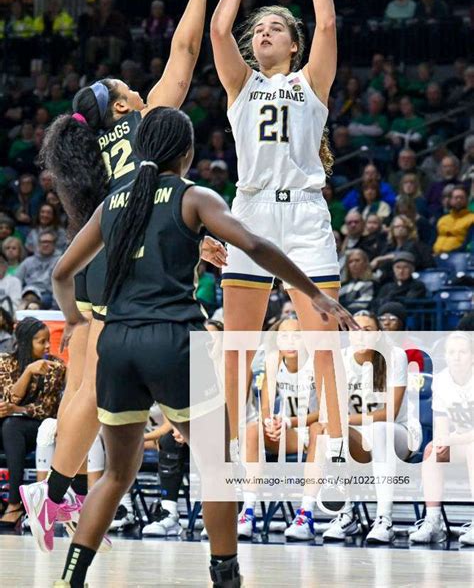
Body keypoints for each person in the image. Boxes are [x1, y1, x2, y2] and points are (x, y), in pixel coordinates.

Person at [46, 107, 355, 588]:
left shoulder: (114, 203)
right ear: (186, 154)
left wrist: (72, 321)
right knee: (218, 466)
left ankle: (71, 576)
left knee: (115, 475)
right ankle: (224, 574)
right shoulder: (193, 197)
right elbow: (254, 244)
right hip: (173, 340)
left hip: (118, 346)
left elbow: (62, 274)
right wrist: (313, 292)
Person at [20, 0, 229, 554]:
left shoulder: (95, 155)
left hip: (95, 256)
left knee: (84, 387)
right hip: (124, 266)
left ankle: (54, 490)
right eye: (125, 87)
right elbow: (185, 52)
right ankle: (56, 490)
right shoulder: (148, 122)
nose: (137, 87)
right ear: (120, 105)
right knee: (95, 388)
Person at [210, 0, 349, 463]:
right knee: (238, 352)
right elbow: (220, 28)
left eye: (275, 29)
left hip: (306, 218)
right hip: (251, 216)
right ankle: (224, 464)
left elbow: (330, 24)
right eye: (259, 29)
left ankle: (337, 459)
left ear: (293, 44)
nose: (263, 32)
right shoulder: (239, 85)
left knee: (323, 347)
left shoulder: (312, 82)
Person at [285, 311, 411, 543]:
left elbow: (389, 414)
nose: (360, 336)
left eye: (367, 330)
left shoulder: (395, 356)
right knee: (321, 433)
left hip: (398, 434)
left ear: (378, 335)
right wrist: (336, 423)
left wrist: (342, 421)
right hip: (358, 437)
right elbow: (328, 411)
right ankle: (314, 514)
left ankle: (385, 520)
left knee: (378, 429)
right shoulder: (340, 359)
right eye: (355, 330)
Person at [239, 315, 320, 539]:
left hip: (315, 429)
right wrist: (270, 422)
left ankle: (305, 514)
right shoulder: (272, 360)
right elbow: (265, 404)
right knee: (254, 429)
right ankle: (247, 512)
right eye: (284, 336)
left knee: (318, 432)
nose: (290, 341)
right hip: (288, 432)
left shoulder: (316, 362)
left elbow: (327, 410)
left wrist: (288, 422)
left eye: (296, 336)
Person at [409, 332, 473, 545]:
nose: (456, 357)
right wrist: (442, 441)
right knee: (431, 451)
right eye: (451, 352)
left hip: (469, 443)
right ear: (445, 356)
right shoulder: (442, 381)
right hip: (462, 440)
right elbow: (442, 424)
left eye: (462, 352)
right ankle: (433, 522)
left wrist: (450, 440)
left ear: (472, 356)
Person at [0, 318, 65, 528]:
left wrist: (17, 410)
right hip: (6, 428)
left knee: (12, 426)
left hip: (36, 429)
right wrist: (28, 371)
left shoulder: (55, 367)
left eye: (48, 340)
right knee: (8, 425)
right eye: (41, 341)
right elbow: (9, 399)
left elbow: (46, 409)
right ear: (26, 342)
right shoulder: (4, 363)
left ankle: (14, 503)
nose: (47, 346)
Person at [15, 230, 61, 309]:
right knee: (28, 295)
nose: (46, 244)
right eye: (43, 242)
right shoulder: (28, 261)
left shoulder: (60, 261)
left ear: (54, 244)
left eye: (49, 242)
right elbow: (16, 281)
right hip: (28, 292)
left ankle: (27, 308)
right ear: (38, 244)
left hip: (49, 295)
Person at [433, 185, 474, 254]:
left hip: (458, 255)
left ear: (467, 200)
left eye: (461, 198)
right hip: (436, 254)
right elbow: (433, 239)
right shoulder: (442, 219)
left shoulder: (472, 219)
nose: (458, 200)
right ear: (450, 200)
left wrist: (450, 253)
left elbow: (468, 244)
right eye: (456, 197)